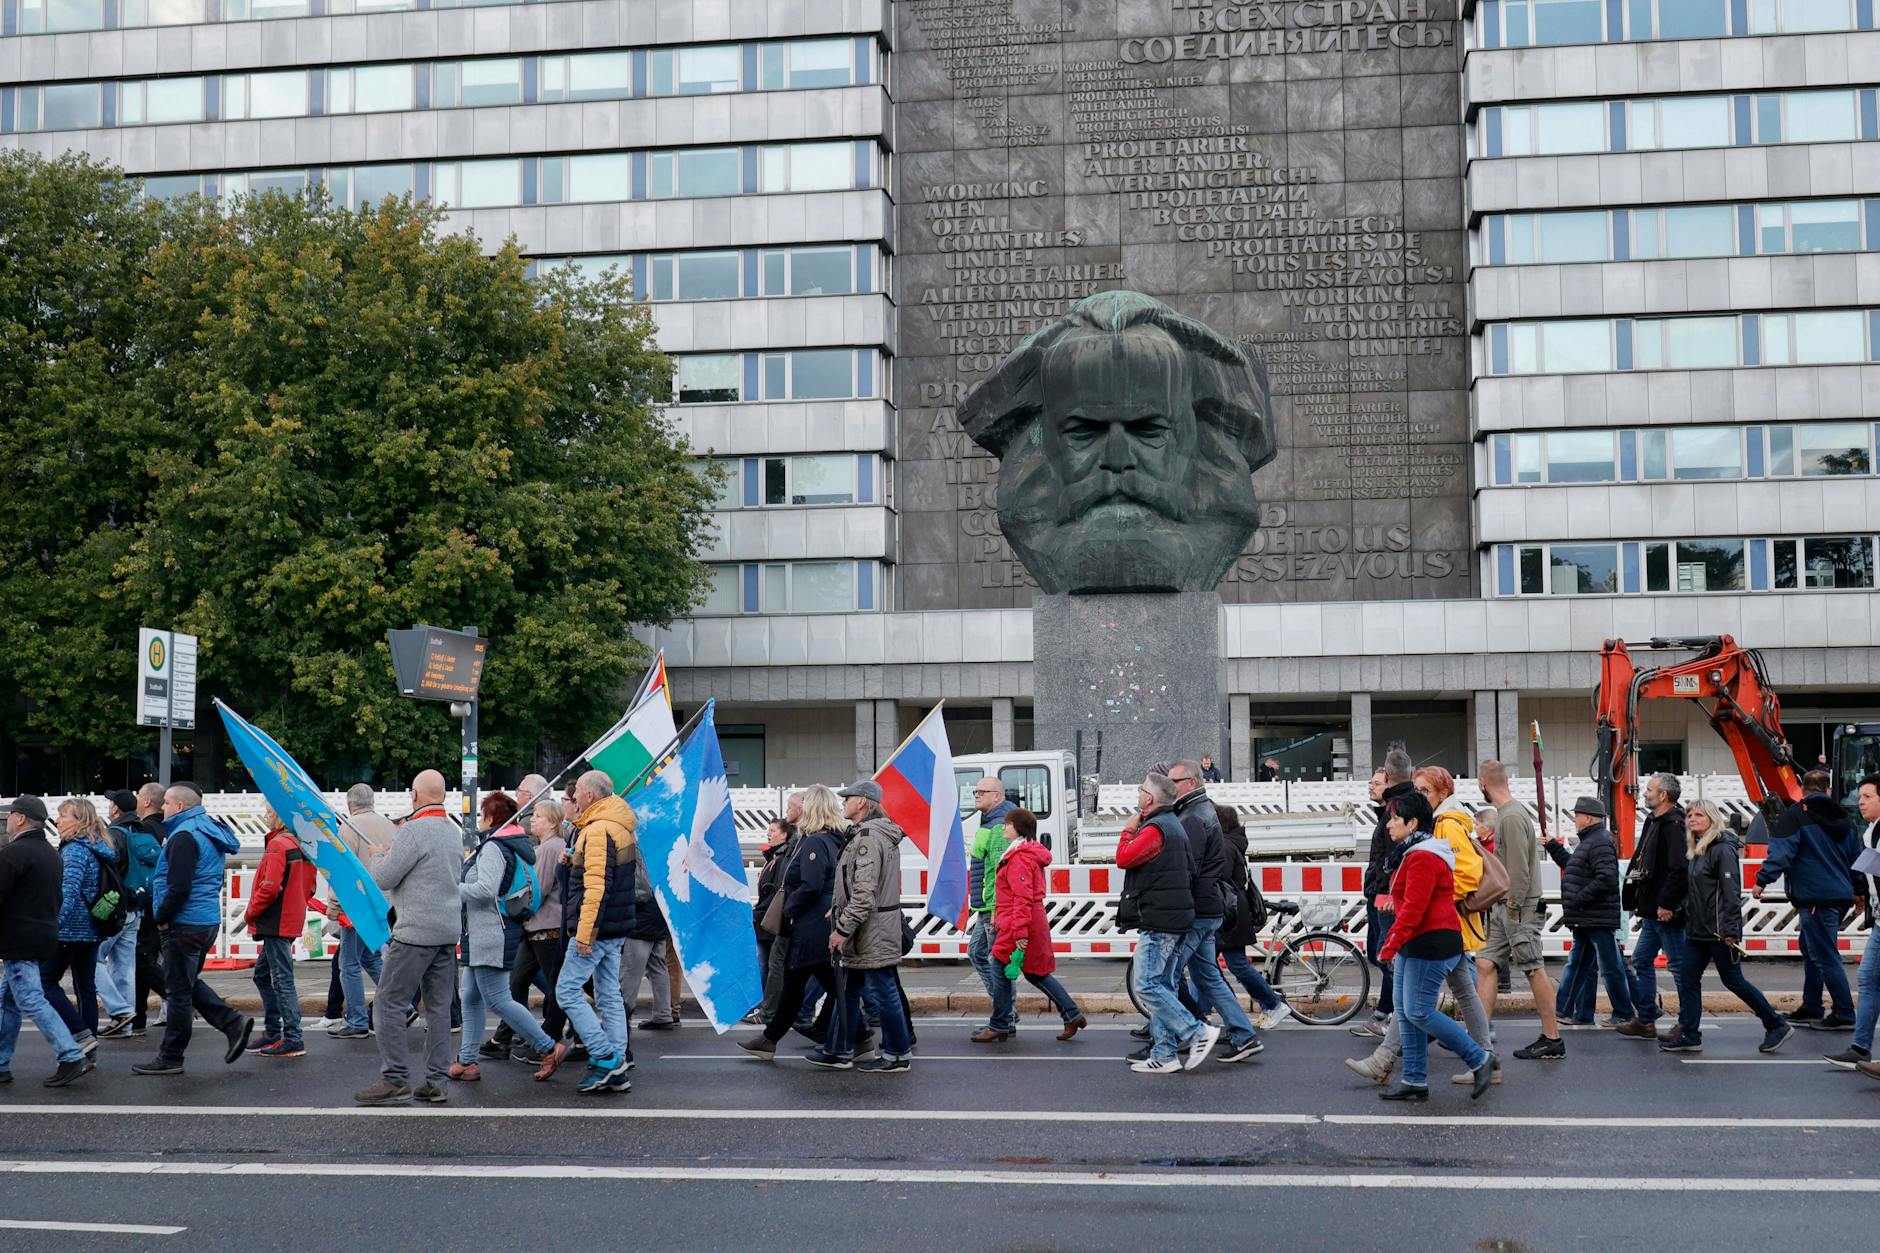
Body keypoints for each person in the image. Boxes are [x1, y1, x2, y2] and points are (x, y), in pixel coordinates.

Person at [1373, 790, 1495, 1102]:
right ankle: (1414, 1079)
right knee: (1407, 1010)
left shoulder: (1422, 856)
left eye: (1395, 819)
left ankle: (1479, 1059)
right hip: (1431, 939)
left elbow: (1415, 909)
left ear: (1412, 823)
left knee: (1417, 1010)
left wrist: (1390, 945)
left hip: (1429, 941)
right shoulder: (1419, 852)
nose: (1389, 825)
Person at [353, 771, 463, 1105]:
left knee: (388, 1002)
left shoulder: (413, 831)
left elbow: (385, 877)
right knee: (439, 1009)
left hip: (415, 931)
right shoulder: (452, 831)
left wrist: (378, 854)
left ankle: (395, 1077)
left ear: (415, 795)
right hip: (447, 931)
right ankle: (437, 1080)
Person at [133, 784, 253, 1076]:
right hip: (204, 919)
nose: (163, 809)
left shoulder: (184, 836)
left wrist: (162, 917)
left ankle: (171, 1056)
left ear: (181, 807)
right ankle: (232, 1024)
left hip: (183, 923)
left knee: (178, 992)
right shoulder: (205, 829)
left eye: (168, 804)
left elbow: (179, 886)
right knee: (184, 984)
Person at [1661, 801, 1793, 1054]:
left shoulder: (1722, 850)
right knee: (1688, 978)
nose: (1692, 819)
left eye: (1699, 814)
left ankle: (1776, 1023)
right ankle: (1689, 1033)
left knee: (1733, 981)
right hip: (1698, 930)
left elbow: (1731, 893)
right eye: (1689, 815)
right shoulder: (1698, 849)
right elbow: (1698, 891)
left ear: (1711, 818)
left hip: (1719, 932)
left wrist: (1730, 930)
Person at [450, 792, 559, 1083]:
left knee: (498, 1000)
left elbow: (486, 888)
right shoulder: (509, 846)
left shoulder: (494, 849)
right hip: (487, 932)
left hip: (489, 933)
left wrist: (452, 889)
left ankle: (548, 1048)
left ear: (491, 818)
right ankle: (468, 1060)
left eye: (483, 813)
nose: (478, 819)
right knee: (471, 997)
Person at [540, 769, 637, 1095]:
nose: (574, 797)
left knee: (566, 991)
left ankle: (605, 1056)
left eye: (577, 792)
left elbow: (595, 887)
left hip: (595, 927)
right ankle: (618, 1062)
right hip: (615, 927)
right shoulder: (619, 826)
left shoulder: (596, 831)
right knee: (609, 993)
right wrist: (575, 861)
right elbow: (607, 876)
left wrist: (583, 934)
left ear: (591, 796)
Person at [1117, 772, 1216, 1074]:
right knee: (1164, 985)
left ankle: (1196, 1031)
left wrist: (1127, 831)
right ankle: (1165, 1054)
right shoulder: (1174, 824)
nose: (1138, 794)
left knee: (1147, 985)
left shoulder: (1155, 828)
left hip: (1160, 919)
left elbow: (1124, 858)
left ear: (1149, 799)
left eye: (1141, 790)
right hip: (1176, 916)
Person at [740, 785, 845, 1061]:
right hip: (822, 921)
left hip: (810, 924)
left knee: (814, 982)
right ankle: (769, 1039)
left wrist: (790, 910)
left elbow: (810, 885)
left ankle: (858, 1038)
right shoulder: (836, 839)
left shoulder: (815, 842)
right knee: (797, 984)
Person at [1168, 759, 1262, 1062]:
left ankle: (1173, 1039)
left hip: (1198, 909)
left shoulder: (1193, 817)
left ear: (1192, 782)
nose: (1170, 788)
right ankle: (1243, 1035)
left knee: (1164, 976)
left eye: (1174, 782)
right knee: (1208, 976)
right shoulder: (1199, 810)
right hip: (1207, 908)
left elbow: (1188, 867)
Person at [1755, 769, 1863, 1030]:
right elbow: (1856, 857)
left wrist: (1762, 880)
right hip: (1838, 896)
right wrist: (1859, 891)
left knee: (1825, 955)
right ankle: (1812, 1005)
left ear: (1803, 789)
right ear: (1827, 790)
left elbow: (1782, 852)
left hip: (1815, 897)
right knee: (1810, 948)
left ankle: (1844, 1013)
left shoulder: (1795, 816)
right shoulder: (1844, 817)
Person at [824, 780, 915, 1073]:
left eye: (847, 798)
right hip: (872, 927)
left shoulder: (867, 839)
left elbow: (864, 893)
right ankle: (841, 1049)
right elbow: (859, 888)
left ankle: (897, 1053)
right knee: (851, 988)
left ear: (862, 802)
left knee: (883, 991)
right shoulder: (873, 835)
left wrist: (842, 928)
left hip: (870, 931)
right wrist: (838, 909)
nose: (842, 803)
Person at [1473, 762, 1562, 1061]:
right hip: (1506, 907)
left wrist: (1512, 908)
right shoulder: (1510, 813)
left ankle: (1552, 1039)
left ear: (1483, 782)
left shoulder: (1510, 817)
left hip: (1516, 907)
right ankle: (1479, 1037)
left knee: (1533, 968)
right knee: (1485, 964)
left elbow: (1519, 871)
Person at [0, 796, 91, 1087]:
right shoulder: (51, 853)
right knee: (7, 999)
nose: (8, 822)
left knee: (30, 998)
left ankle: (71, 1053)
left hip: (18, 938)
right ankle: (1, 1062)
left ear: (21, 818)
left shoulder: (13, 854)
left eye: (11, 815)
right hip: (43, 934)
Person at [990, 808, 1087, 1040]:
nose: (1004, 827)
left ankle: (1000, 1024)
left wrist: (1019, 931)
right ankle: (1072, 1014)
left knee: (1000, 967)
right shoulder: (1023, 853)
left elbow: (1021, 896)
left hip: (1020, 921)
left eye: (1008, 823)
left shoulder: (1019, 858)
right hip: (1024, 919)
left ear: (1018, 828)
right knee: (1036, 973)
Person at [487, 800, 569, 1063]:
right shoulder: (547, 847)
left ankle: (547, 1040)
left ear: (553, 822)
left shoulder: (549, 848)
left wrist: (515, 910)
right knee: (517, 983)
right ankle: (511, 1035)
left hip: (546, 927)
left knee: (555, 987)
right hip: (538, 929)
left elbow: (538, 890)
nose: (533, 820)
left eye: (539, 817)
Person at [42, 798, 118, 1052]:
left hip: (71, 928)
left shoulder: (74, 850)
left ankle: (80, 1033)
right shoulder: (97, 846)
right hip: (93, 928)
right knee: (85, 987)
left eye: (63, 815)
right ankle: (90, 1046)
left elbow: (69, 892)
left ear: (79, 820)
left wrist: (55, 924)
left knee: (45, 983)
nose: (57, 820)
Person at [243, 805, 320, 1058]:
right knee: (264, 975)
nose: (266, 816)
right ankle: (275, 1032)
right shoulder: (302, 845)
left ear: (279, 816)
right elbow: (310, 887)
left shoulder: (278, 845)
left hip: (275, 920)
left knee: (279, 979)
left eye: (268, 812)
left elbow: (269, 887)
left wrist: (250, 913)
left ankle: (291, 1037)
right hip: (287, 918)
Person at [1619, 772, 1688, 1040]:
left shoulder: (1673, 825)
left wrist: (1667, 904)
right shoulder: (1655, 820)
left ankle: (1687, 1024)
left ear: (1663, 796)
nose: (1645, 793)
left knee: (1680, 967)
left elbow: (1679, 868)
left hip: (1665, 911)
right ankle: (1646, 1018)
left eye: (1649, 789)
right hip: (1652, 909)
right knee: (1641, 960)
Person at [1213, 806, 1292, 1034]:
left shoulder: (1225, 846)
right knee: (1212, 966)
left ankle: (1273, 1003)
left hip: (1230, 914)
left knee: (1230, 965)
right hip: (1233, 912)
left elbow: (1220, 880)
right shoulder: (1233, 842)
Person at [327, 783, 393, 1040]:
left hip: (357, 905)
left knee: (349, 963)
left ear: (349, 803)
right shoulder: (388, 826)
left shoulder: (348, 828)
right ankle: (405, 1004)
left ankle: (356, 1020)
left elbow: (343, 872)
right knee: (370, 957)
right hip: (385, 902)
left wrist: (334, 906)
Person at [94, 790, 158, 1038]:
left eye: (111, 803)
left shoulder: (115, 834)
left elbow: (110, 871)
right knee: (124, 966)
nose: (109, 806)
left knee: (92, 960)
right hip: (137, 907)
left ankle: (119, 1012)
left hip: (116, 908)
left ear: (116, 809)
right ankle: (126, 1022)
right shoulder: (141, 831)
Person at [1358, 756, 1414, 1036]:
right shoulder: (1388, 812)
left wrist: (1381, 888)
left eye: (1376, 783)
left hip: (1385, 896)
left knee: (1387, 954)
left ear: (1389, 781)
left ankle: (1391, 1014)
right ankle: (1393, 1013)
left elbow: (1390, 857)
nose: (1371, 787)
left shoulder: (1398, 808)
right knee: (1380, 953)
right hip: (1380, 893)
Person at [1827, 776, 1880, 1069]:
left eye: (1868, 796)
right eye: (1861, 796)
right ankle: (1860, 1048)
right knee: (1868, 979)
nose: (1860, 802)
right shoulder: (1870, 832)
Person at [965, 776, 1018, 1043]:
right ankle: (1007, 1012)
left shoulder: (998, 826)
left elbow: (1000, 871)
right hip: (986, 906)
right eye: (975, 791)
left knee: (996, 963)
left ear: (997, 796)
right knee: (977, 953)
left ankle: (1005, 1016)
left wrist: (997, 909)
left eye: (981, 791)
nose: (976, 795)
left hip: (993, 909)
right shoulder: (990, 822)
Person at [620, 838, 676, 1032]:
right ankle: (663, 1014)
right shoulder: (657, 845)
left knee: (631, 970)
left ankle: (621, 1017)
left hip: (641, 914)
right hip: (658, 910)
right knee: (658, 966)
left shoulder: (634, 846)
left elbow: (640, 888)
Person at [128, 783, 170, 1035]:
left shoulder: (144, 830)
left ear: (146, 802)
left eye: (139, 794)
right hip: (166, 901)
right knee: (150, 959)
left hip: (148, 901)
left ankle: (140, 1014)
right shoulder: (170, 828)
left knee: (143, 960)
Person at [751, 818, 796, 1024]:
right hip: (765, 918)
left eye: (772, 830)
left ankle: (766, 1008)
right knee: (767, 964)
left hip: (769, 919)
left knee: (769, 965)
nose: (768, 833)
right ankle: (765, 1006)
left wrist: (759, 911)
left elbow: (774, 892)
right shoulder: (774, 857)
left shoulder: (780, 859)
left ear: (784, 835)